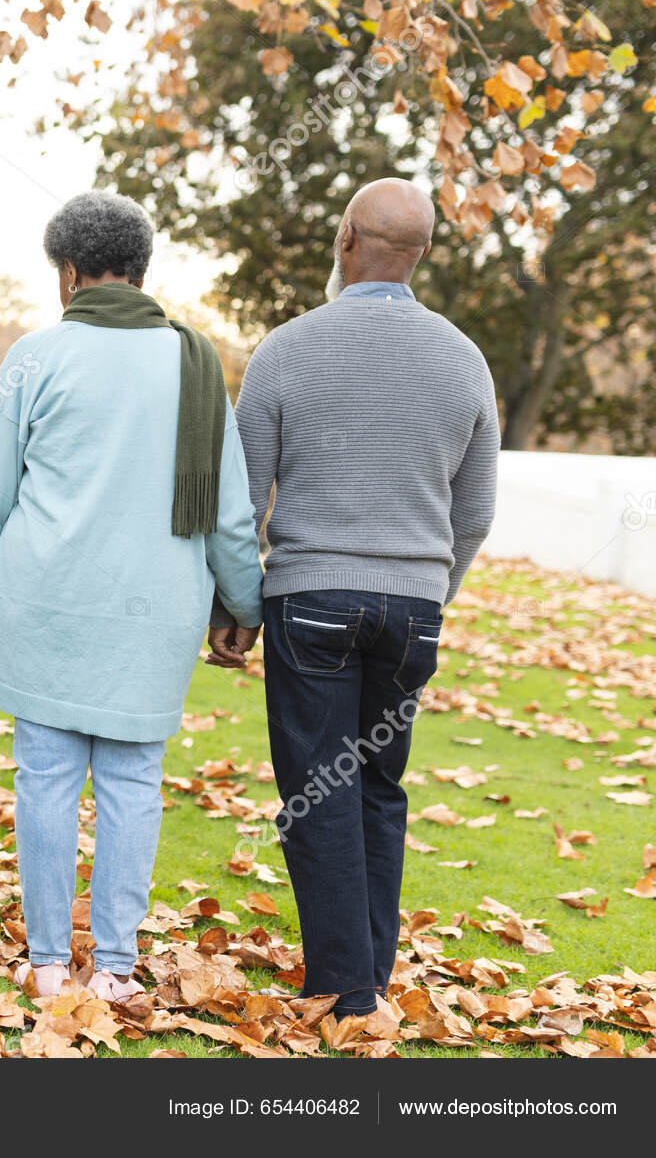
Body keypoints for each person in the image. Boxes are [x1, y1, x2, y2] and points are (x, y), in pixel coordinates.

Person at [0, 191, 265, 1000]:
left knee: (43, 779)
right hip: (154, 616)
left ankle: (46, 962)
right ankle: (114, 965)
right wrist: (243, 611)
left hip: (44, 604)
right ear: (140, 270)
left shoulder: (34, 356)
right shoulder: (196, 362)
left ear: (72, 275)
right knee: (131, 785)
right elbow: (228, 512)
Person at [210, 178, 499, 1017]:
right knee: (378, 783)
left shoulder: (287, 349)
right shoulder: (464, 359)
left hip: (311, 601)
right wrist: (426, 594)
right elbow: (474, 513)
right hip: (413, 610)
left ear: (345, 240)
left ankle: (345, 989)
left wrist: (235, 606)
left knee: (318, 791)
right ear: (422, 256)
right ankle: (365, 973)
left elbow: (241, 499)